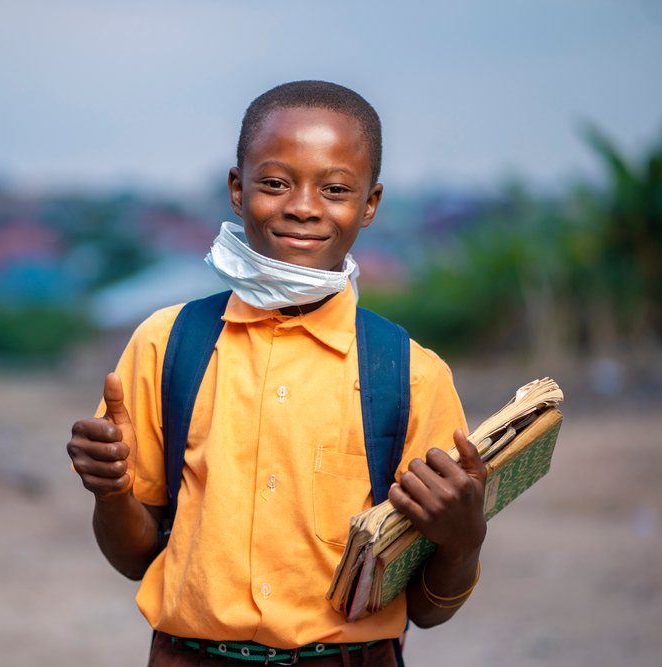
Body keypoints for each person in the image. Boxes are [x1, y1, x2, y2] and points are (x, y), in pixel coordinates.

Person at [68, 80, 487, 666]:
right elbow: (135, 557)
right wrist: (111, 493)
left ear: (370, 204)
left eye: (336, 189)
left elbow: (427, 608)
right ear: (238, 190)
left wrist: (463, 537)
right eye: (275, 183)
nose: (303, 206)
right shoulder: (168, 345)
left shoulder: (411, 375)